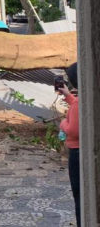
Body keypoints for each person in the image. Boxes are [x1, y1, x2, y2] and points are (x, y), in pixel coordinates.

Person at [59, 62, 80, 226]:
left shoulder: (79, 105)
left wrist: (62, 124)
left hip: (77, 153)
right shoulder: (82, 100)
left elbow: (73, 130)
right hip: (81, 151)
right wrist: (68, 96)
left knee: (79, 195)